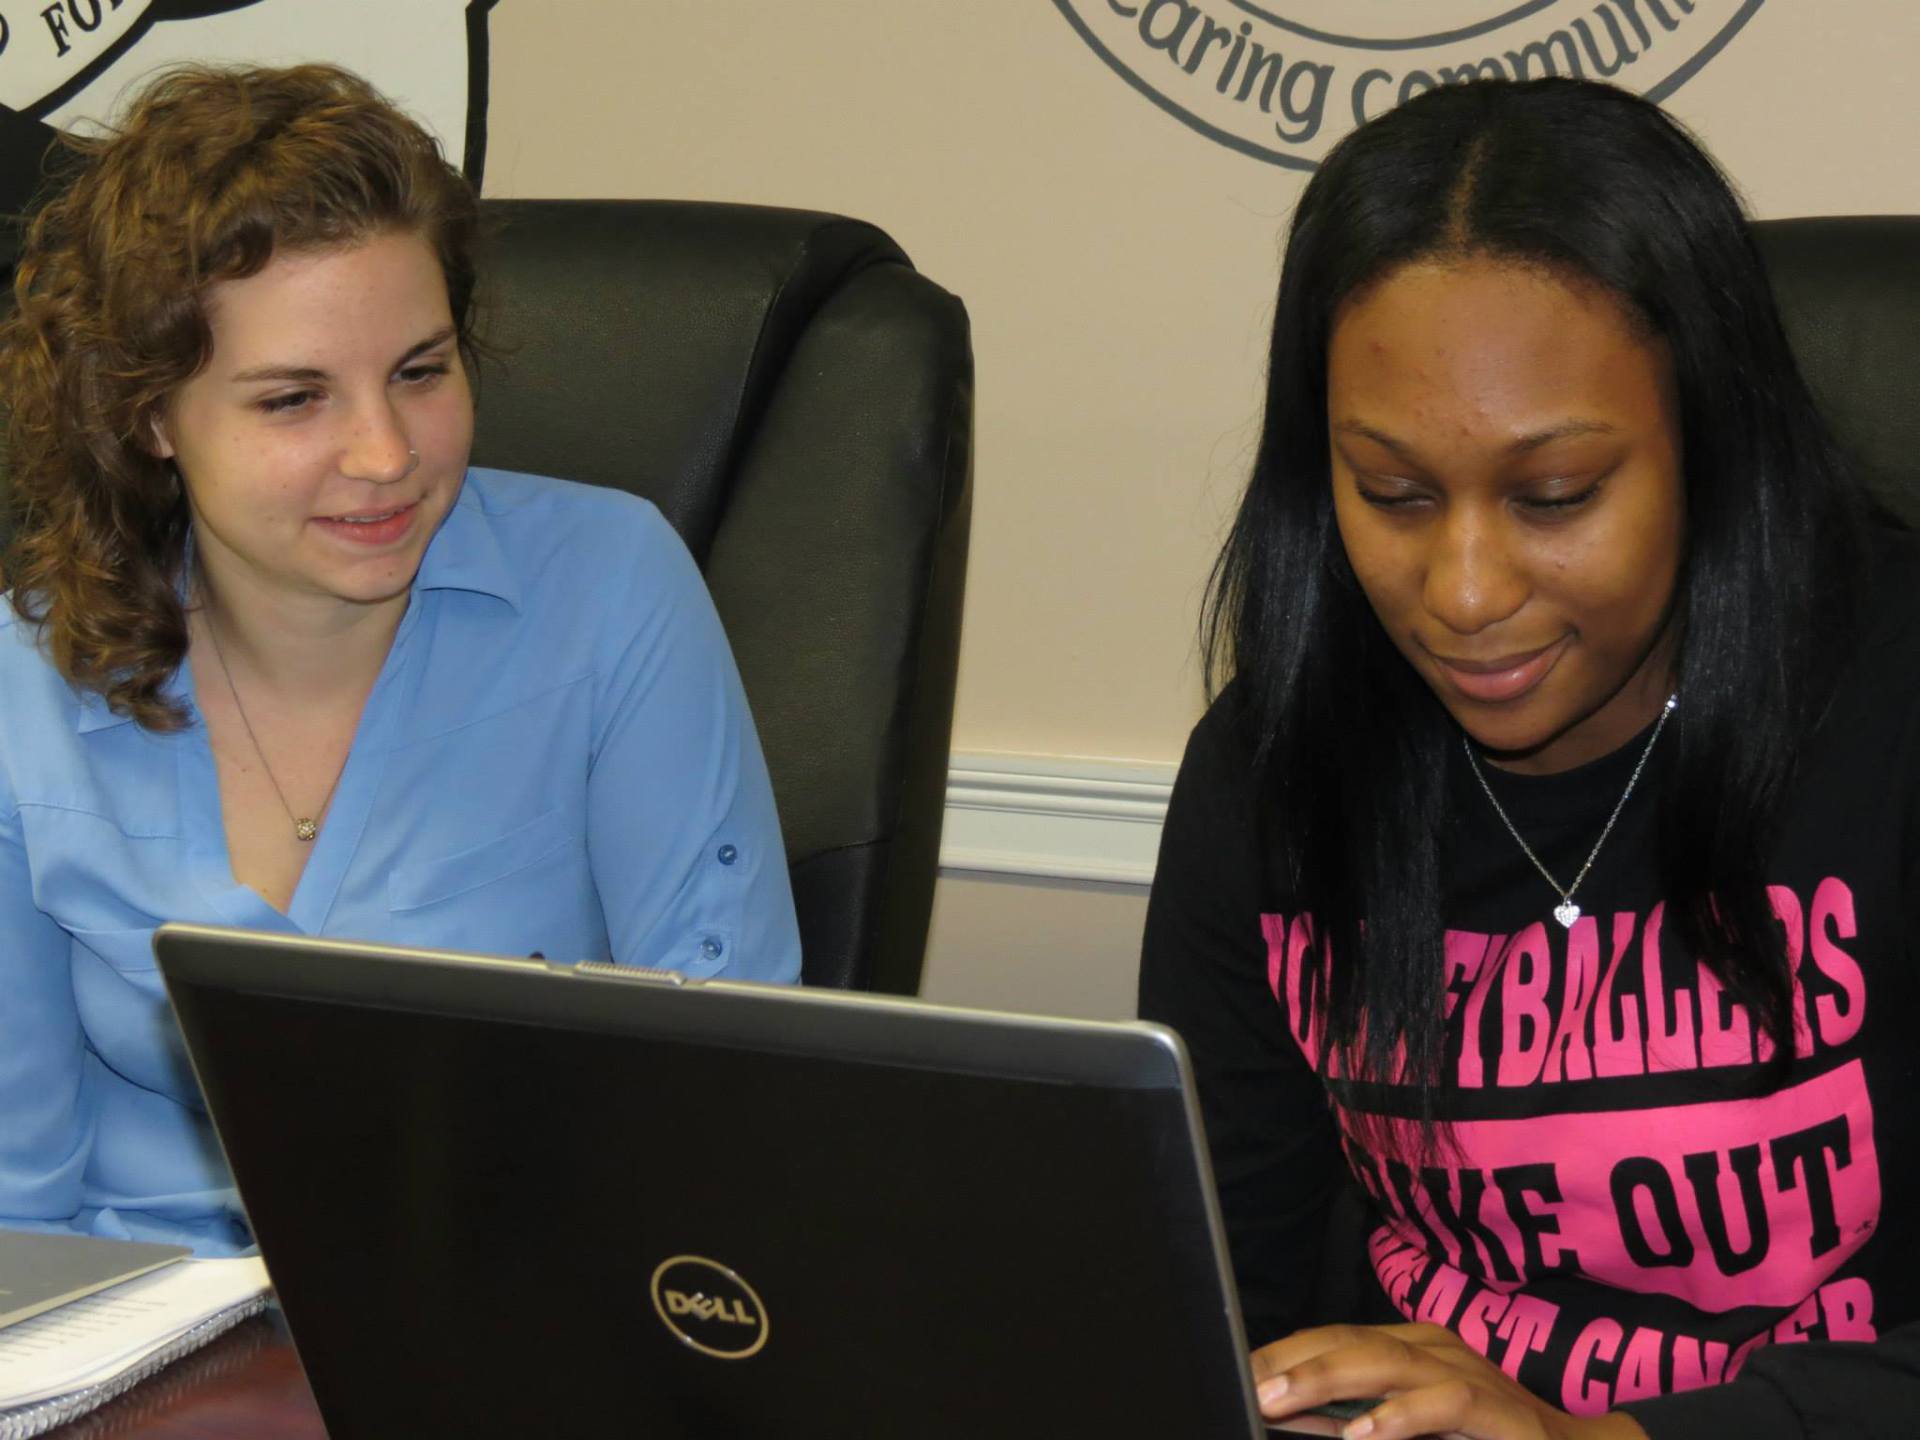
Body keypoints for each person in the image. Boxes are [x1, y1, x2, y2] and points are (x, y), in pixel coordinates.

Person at [1139, 77, 1918, 1439]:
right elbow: (1220, 1306)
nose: (1464, 591)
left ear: (1714, 449)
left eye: (1556, 496)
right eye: (1393, 494)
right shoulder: (1273, 771)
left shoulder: (1890, 709)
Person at [0, 64, 801, 1255]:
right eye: (294, 399)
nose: (384, 455)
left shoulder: (611, 586)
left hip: (515, 1300)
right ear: (150, 416)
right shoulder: (26, 675)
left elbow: (729, 1100)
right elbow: (13, 1205)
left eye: (420, 372)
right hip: (141, 1323)